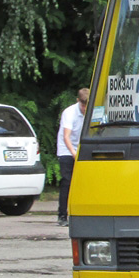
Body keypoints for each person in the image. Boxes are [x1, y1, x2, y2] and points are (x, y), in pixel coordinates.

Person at [56, 88, 89, 226]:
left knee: (86, 182)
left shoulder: (93, 111)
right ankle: (62, 215)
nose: (85, 108)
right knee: (67, 181)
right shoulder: (69, 113)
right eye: (83, 105)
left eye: (87, 105)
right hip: (66, 150)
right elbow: (66, 137)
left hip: (82, 147)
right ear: (78, 101)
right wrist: (73, 153)